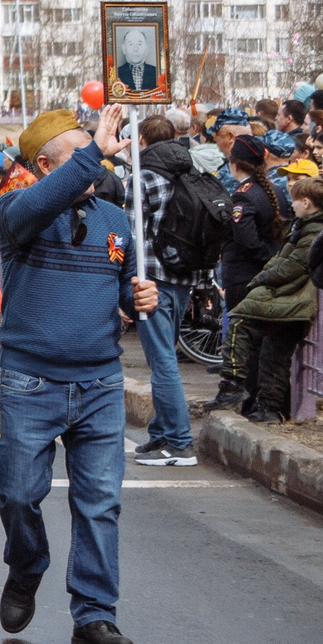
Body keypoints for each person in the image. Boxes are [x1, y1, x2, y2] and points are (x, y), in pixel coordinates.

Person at [0, 103, 161, 644]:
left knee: (100, 504)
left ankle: (94, 615)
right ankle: (26, 564)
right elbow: (36, 205)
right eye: (82, 155)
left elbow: (124, 294)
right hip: (30, 383)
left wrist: (141, 298)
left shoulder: (114, 219)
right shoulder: (17, 209)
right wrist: (96, 155)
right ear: (45, 165)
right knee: (19, 494)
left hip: (100, 384)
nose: (98, 162)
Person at [117, 114, 202, 467]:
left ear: (142, 140)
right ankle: (162, 433)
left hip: (151, 279)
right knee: (165, 356)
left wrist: (122, 281)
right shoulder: (191, 170)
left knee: (162, 362)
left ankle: (179, 442)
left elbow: (131, 232)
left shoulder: (143, 176)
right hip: (184, 276)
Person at [233, 174, 323, 425]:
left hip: (295, 302)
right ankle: (268, 406)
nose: (291, 205)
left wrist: (261, 279)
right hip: (293, 300)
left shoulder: (313, 231)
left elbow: (292, 267)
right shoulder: (305, 227)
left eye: (295, 200)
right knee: (272, 353)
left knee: (272, 353)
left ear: (306, 202)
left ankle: (268, 407)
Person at [211, 134, 285, 413]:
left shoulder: (244, 195)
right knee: (262, 343)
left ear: (235, 163)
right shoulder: (273, 190)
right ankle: (258, 400)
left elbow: (247, 241)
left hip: (244, 276)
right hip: (264, 275)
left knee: (246, 342)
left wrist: (266, 261)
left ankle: (249, 399)